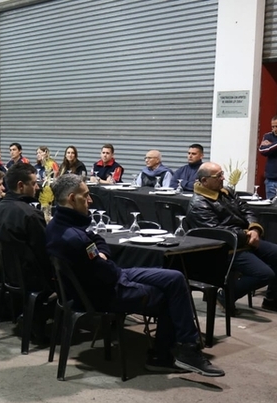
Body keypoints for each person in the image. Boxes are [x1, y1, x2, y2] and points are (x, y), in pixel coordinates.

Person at [46, 174, 225, 376]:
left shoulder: (60, 225)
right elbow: (106, 272)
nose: (91, 200)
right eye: (86, 195)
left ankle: (183, 347)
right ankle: (171, 354)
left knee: (174, 277)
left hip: (109, 278)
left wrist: (102, 254)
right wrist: (105, 261)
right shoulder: (73, 236)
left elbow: (98, 240)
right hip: (103, 293)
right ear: (71, 198)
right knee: (171, 294)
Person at [186, 162, 277, 312]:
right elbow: (218, 232)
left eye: (222, 173)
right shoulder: (198, 204)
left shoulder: (227, 191)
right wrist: (247, 235)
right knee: (265, 274)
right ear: (204, 181)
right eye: (218, 176)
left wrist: (254, 228)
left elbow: (247, 210)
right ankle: (225, 295)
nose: (223, 178)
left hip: (244, 239)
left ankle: (271, 300)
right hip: (226, 248)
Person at [0, 163, 52, 292]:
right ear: (21, 186)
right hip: (31, 280)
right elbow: (44, 253)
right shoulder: (31, 215)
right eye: (33, 184)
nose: (37, 187)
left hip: (4, 275)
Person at [259, 116, 277, 199]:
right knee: (271, 208)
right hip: (271, 180)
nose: (275, 129)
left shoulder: (270, 140)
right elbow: (262, 150)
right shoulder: (267, 136)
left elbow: (268, 148)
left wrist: (270, 145)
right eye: (273, 127)